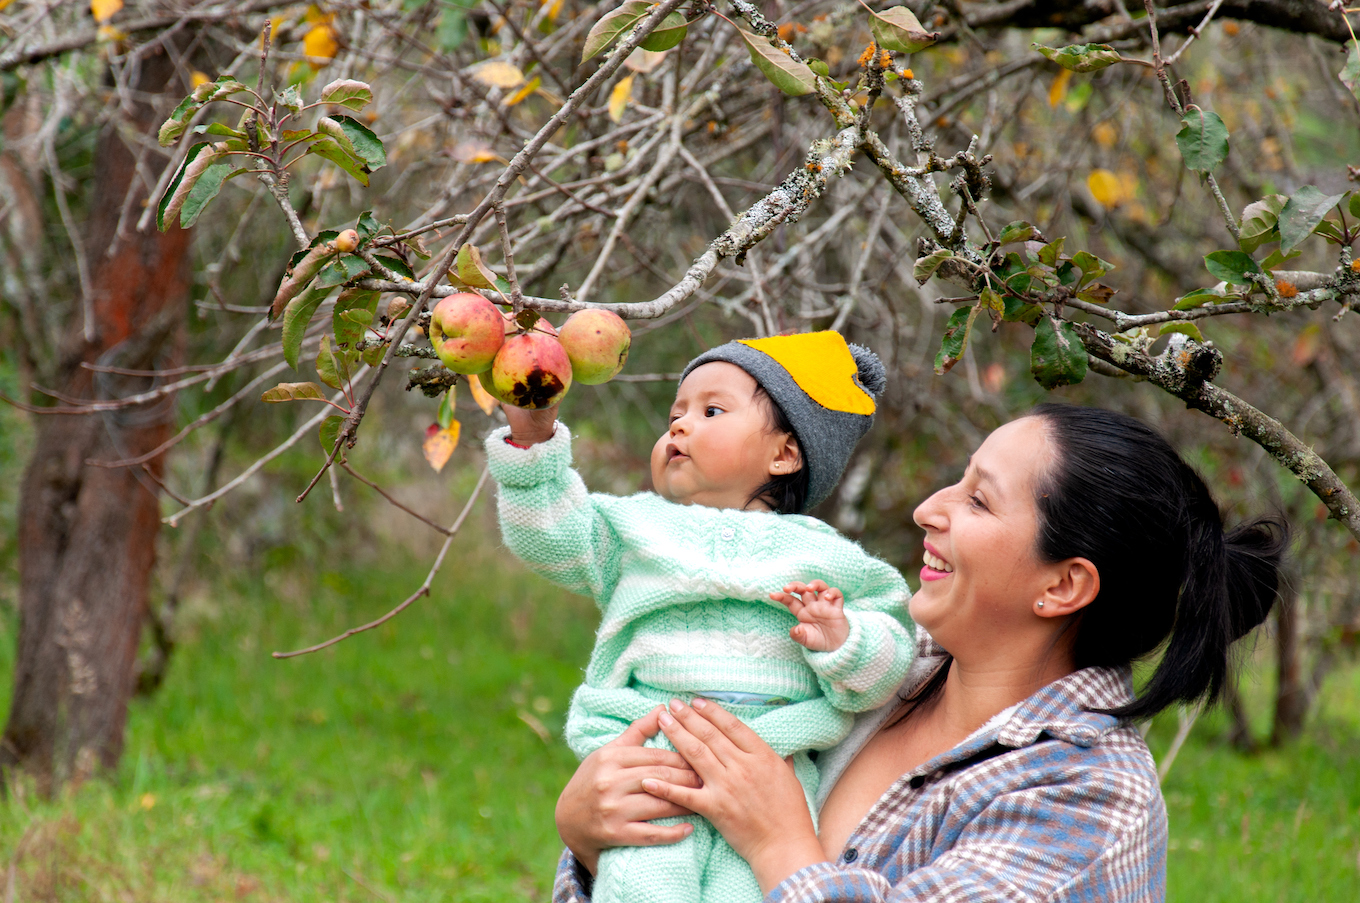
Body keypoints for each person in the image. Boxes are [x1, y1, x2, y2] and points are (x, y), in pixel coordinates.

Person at [552, 403, 1289, 903]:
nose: (927, 508)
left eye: (977, 501)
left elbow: (765, 844)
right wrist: (588, 839)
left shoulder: (1087, 800)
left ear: (1063, 584)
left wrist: (781, 844)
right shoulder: (881, 668)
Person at [485, 331, 919, 903]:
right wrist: (533, 437)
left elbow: (892, 649)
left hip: (769, 775)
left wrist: (844, 640)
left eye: (711, 410)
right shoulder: (633, 529)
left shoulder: (825, 555)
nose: (678, 427)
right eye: (674, 416)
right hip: (652, 769)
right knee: (642, 889)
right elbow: (552, 534)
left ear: (784, 454)